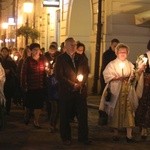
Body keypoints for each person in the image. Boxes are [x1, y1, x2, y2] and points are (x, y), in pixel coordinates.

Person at [99, 43, 138, 143]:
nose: (123, 54)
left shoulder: (129, 64)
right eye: (121, 52)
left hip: (127, 92)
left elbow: (133, 75)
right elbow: (106, 75)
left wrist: (132, 77)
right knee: (115, 112)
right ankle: (115, 134)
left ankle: (129, 135)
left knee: (128, 112)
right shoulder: (112, 64)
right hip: (116, 91)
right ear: (116, 53)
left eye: (124, 52)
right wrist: (117, 78)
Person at [54, 37, 90, 145]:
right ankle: (66, 137)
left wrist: (80, 83)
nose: (74, 47)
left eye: (75, 45)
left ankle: (83, 137)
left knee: (82, 116)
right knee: (65, 115)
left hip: (80, 91)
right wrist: (72, 84)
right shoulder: (61, 59)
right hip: (66, 92)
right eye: (71, 45)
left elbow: (86, 72)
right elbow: (59, 75)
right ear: (65, 46)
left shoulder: (81, 58)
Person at [21, 43, 47, 128]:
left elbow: (47, 70)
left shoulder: (43, 60)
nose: (36, 51)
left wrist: (48, 71)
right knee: (29, 105)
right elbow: (23, 74)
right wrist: (24, 86)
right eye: (34, 50)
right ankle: (27, 115)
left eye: (37, 50)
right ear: (31, 51)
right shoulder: (28, 60)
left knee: (38, 105)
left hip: (40, 86)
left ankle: (36, 121)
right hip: (31, 87)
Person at [135, 40, 150, 140]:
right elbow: (137, 71)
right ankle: (143, 128)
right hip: (146, 85)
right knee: (144, 105)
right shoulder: (143, 57)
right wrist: (141, 69)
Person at [44, 43, 60, 132]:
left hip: (60, 90)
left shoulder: (59, 57)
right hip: (53, 91)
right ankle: (52, 125)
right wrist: (48, 72)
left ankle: (55, 125)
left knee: (58, 110)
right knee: (54, 108)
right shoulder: (50, 74)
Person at [0, 47, 17, 115]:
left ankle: (7, 110)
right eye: (3, 51)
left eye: (5, 51)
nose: (4, 53)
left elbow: (15, 69)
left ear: (8, 52)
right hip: (1, 81)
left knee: (8, 96)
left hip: (9, 81)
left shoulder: (11, 60)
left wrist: (10, 70)